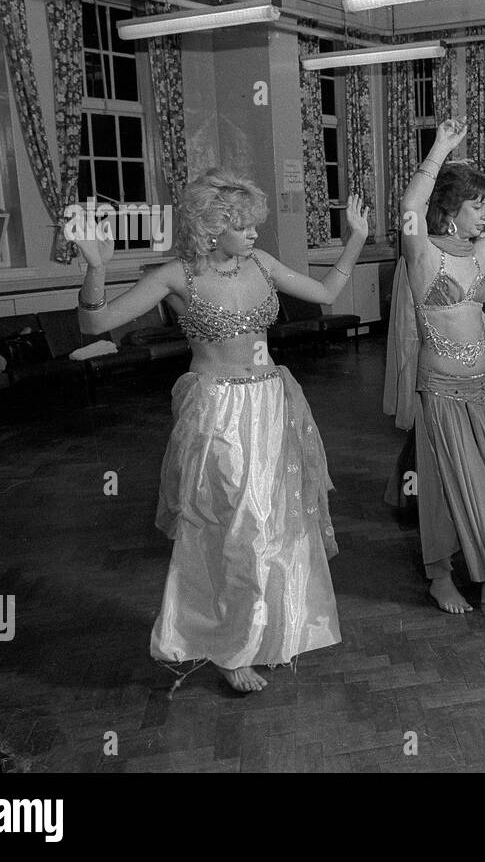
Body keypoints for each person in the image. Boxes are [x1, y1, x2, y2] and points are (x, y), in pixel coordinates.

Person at [74, 170, 370, 693]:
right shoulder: (176, 276)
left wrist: (357, 239)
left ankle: (267, 632)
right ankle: (228, 645)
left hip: (272, 403)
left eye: (254, 225)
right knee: (233, 524)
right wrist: (97, 268)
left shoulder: (260, 263)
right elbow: (96, 326)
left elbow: (325, 292)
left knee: (275, 521)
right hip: (217, 412)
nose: (255, 234)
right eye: (244, 226)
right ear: (212, 229)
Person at [384, 117, 485, 614]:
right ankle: (439, 575)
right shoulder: (423, 253)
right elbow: (410, 206)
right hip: (443, 389)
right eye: (478, 206)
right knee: (441, 482)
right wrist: (439, 148)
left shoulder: (476, 254)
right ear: (451, 210)